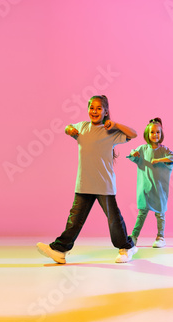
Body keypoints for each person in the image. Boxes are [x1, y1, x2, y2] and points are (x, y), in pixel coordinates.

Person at [36, 95, 138, 264]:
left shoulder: (110, 131)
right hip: (84, 184)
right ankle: (60, 250)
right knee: (74, 219)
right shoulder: (82, 127)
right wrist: (69, 129)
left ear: (105, 111)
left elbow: (133, 134)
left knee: (114, 220)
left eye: (99, 108)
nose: (95, 111)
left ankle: (127, 247)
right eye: (92, 108)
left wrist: (116, 125)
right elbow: (68, 127)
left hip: (104, 185)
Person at [127, 118, 173, 248]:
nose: (155, 135)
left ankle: (160, 236)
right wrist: (134, 152)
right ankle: (134, 236)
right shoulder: (143, 149)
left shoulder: (164, 149)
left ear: (161, 134)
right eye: (152, 132)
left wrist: (159, 159)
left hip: (159, 189)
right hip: (145, 188)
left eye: (158, 132)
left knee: (160, 214)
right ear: (147, 134)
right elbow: (132, 154)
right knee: (141, 213)